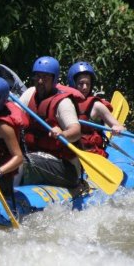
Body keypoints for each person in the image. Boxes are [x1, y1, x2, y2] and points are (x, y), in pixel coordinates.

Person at [18, 56, 82, 188]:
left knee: (20, 162)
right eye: (38, 76)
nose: (40, 81)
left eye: (45, 77)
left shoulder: (63, 103)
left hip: (65, 168)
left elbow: (76, 132)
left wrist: (62, 134)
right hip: (36, 156)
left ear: (54, 80)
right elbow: (13, 116)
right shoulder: (30, 93)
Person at [67, 61, 125, 157]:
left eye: (88, 84)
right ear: (73, 83)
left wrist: (117, 129)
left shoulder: (96, 106)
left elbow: (120, 128)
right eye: (81, 83)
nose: (85, 87)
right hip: (70, 153)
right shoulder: (64, 103)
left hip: (91, 155)